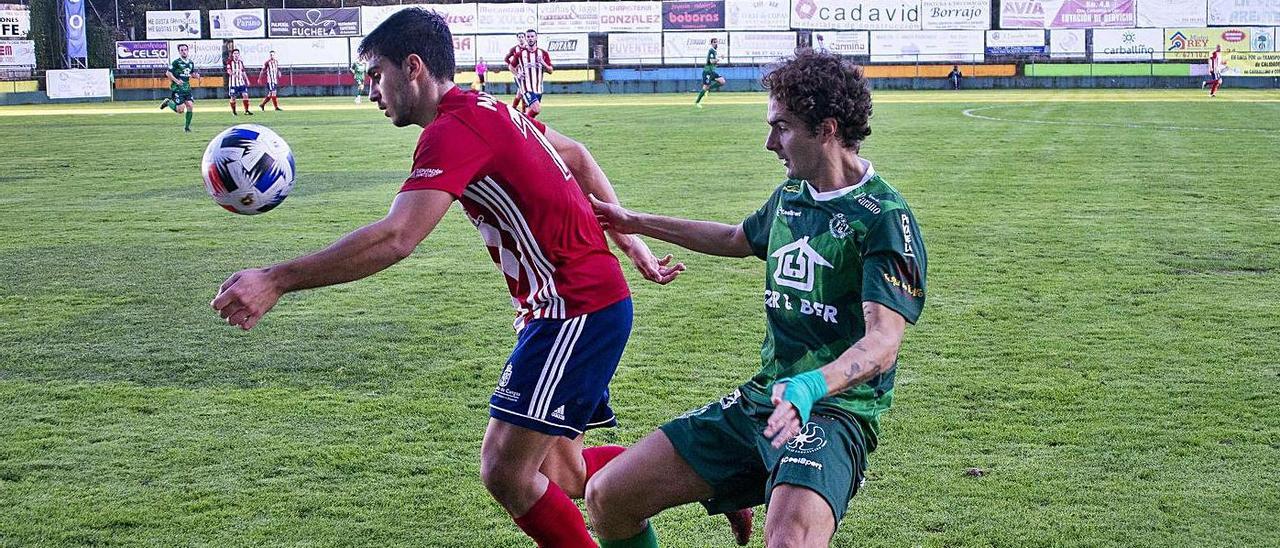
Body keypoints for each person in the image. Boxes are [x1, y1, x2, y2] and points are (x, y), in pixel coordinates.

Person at [210, 8, 683, 547]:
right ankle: (714, 484)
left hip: (573, 307)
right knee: (561, 475)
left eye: (376, 74)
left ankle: (708, 477)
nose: (371, 91)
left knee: (505, 471)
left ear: (412, 67)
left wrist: (275, 280)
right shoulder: (485, 107)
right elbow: (576, 155)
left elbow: (397, 237)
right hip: (572, 306)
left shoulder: (454, 127)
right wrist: (632, 246)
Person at [585, 51, 928, 548]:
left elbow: (882, 344)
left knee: (788, 541)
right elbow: (734, 238)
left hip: (834, 410)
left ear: (827, 128)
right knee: (608, 496)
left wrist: (810, 388)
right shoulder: (794, 195)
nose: (770, 143)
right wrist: (633, 221)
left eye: (782, 127)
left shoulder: (882, 220)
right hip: (764, 400)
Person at [158, 43, 200, 132]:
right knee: (180, 110)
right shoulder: (176, 62)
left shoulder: (191, 62)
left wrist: (195, 75)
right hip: (177, 88)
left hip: (187, 88)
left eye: (185, 50)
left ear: (188, 51)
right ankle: (168, 102)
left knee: (190, 105)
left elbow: (191, 73)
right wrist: (176, 81)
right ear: (179, 52)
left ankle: (187, 128)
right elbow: (168, 73)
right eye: (182, 50)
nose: (184, 52)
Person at [516, 29, 553, 118]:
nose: (530, 38)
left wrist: (543, 63)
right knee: (537, 109)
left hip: (538, 89)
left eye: (532, 36)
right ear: (526, 38)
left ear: (536, 38)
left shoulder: (543, 53)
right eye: (528, 37)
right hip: (526, 88)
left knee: (531, 114)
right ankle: (521, 120)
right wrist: (518, 74)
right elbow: (511, 66)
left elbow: (550, 70)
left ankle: (522, 125)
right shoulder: (521, 54)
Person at [695, 38, 725, 108]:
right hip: (707, 72)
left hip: (712, 71)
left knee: (722, 81)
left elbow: (714, 61)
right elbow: (711, 61)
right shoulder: (711, 50)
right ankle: (697, 102)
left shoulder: (715, 51)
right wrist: (719, 59)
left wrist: (719, 58)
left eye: (717, 42)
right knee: (705, 87)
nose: (716, 43)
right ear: (711, 43)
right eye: (714, 42)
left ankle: (708, 90)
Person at [225, 49, 253, 116]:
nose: (236, 55)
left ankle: (246, 111)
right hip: (233, 83)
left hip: (241, 82)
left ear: (239, 54)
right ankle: (234, 111)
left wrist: (247, 80)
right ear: (232, 54)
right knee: (233, 97)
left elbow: (243, 72)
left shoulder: (240, 62)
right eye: (235, 53)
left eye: (237, 53)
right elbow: (229, 71)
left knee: (245, 95)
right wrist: (235, 75)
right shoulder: (229, 62)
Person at [505, 32, 528, 112]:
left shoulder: (528, 48)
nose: (521, 38)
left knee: (521, 92)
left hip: (528, 74)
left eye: (522, 37)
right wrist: (514, 66)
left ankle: (514, 109)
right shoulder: (514, 49)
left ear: (525, 38)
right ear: (517, 38)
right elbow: (506, 59)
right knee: (523, 92)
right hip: (518, 75)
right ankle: (523, 111)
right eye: (519, 37)